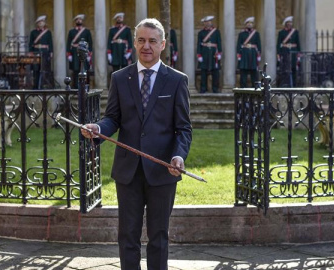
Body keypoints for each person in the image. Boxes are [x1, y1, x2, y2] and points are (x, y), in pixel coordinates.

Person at [81, 18, 192, 270]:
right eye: (141, 40)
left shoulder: (176, 80)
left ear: (162, 44)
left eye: (152, 41)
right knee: (127, 235)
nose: (146, 46)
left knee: (159, 237)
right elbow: (113, 118)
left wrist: (179, 156)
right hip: (128, 171)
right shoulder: (120, 78)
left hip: (162, 171)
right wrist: (98, 129)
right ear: (134, 43)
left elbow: (183, 128)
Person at [196, 15, 222, 93]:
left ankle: (215, 89)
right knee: (203, 72)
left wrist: (220, 53)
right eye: (206, 22)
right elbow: (199, 44)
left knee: (215, 72)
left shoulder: (216, 32)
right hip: (205, 53)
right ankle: (203, 89)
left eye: (209, 21)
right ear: (204, 23)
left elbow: (219, 43)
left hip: (214, 54)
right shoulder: (201, 33)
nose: (208, 23)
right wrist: (199, 55)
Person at [67, 14, 93, 88]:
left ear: (82, 21)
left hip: (84, 52)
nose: (79, 20)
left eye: (80, 19)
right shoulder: (71, 31)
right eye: (77, 19)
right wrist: (69, 54)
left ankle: (85, 86)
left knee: (85, 69)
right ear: (75, 21)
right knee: (75, 70)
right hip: (75, 52)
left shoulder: (86, 31)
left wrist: (89, 54)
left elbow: (90, 43)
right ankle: (75, 87)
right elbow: (69, 43)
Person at [28, 15, 53, 89]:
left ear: (44, 23)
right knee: (36, 69)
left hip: (45, 52)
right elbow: (31, 43)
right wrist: (30, 52)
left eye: (42, 22)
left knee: (44, 69)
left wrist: (51, 52)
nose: (41, 23)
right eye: (39, 22)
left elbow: (50, 43)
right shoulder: (33, 32)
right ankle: (35, 86)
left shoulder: (48, 32)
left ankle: (44, 85)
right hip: (36, 52)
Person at [236, 16, 261, 88]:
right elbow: (238, 44)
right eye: (248, 23)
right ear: (246, 24)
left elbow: (258, 45)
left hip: (253, 54)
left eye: (251, 23)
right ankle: (243, 87)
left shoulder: (256, 34)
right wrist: (239, 55)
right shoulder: (242, 34)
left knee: (254, 72)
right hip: (244, 53)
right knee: (243, 71)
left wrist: (259, 55)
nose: (250, 24)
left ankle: (255, 87)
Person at [276, 16, 301, 87]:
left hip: (293, 52)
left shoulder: (295, 32)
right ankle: (285, 84)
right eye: (288, 22)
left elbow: (298, 43)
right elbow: (279, 44)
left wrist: (299, 53)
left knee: (294, 68)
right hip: (285, 52)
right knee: (285, 69)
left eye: (291, 22)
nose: (290, 24)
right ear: (286, 24)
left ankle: (294, 85)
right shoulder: (281, 32)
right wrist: (278, 53)